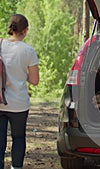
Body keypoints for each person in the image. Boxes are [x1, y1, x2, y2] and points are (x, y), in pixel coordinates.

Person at [0, 14, 39, 169]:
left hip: (0, 102)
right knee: (18, 138)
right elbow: (35, 80)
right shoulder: (28, 51)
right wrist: (23, 74)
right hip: (18, 104)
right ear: (26, 30)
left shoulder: (0, 44)